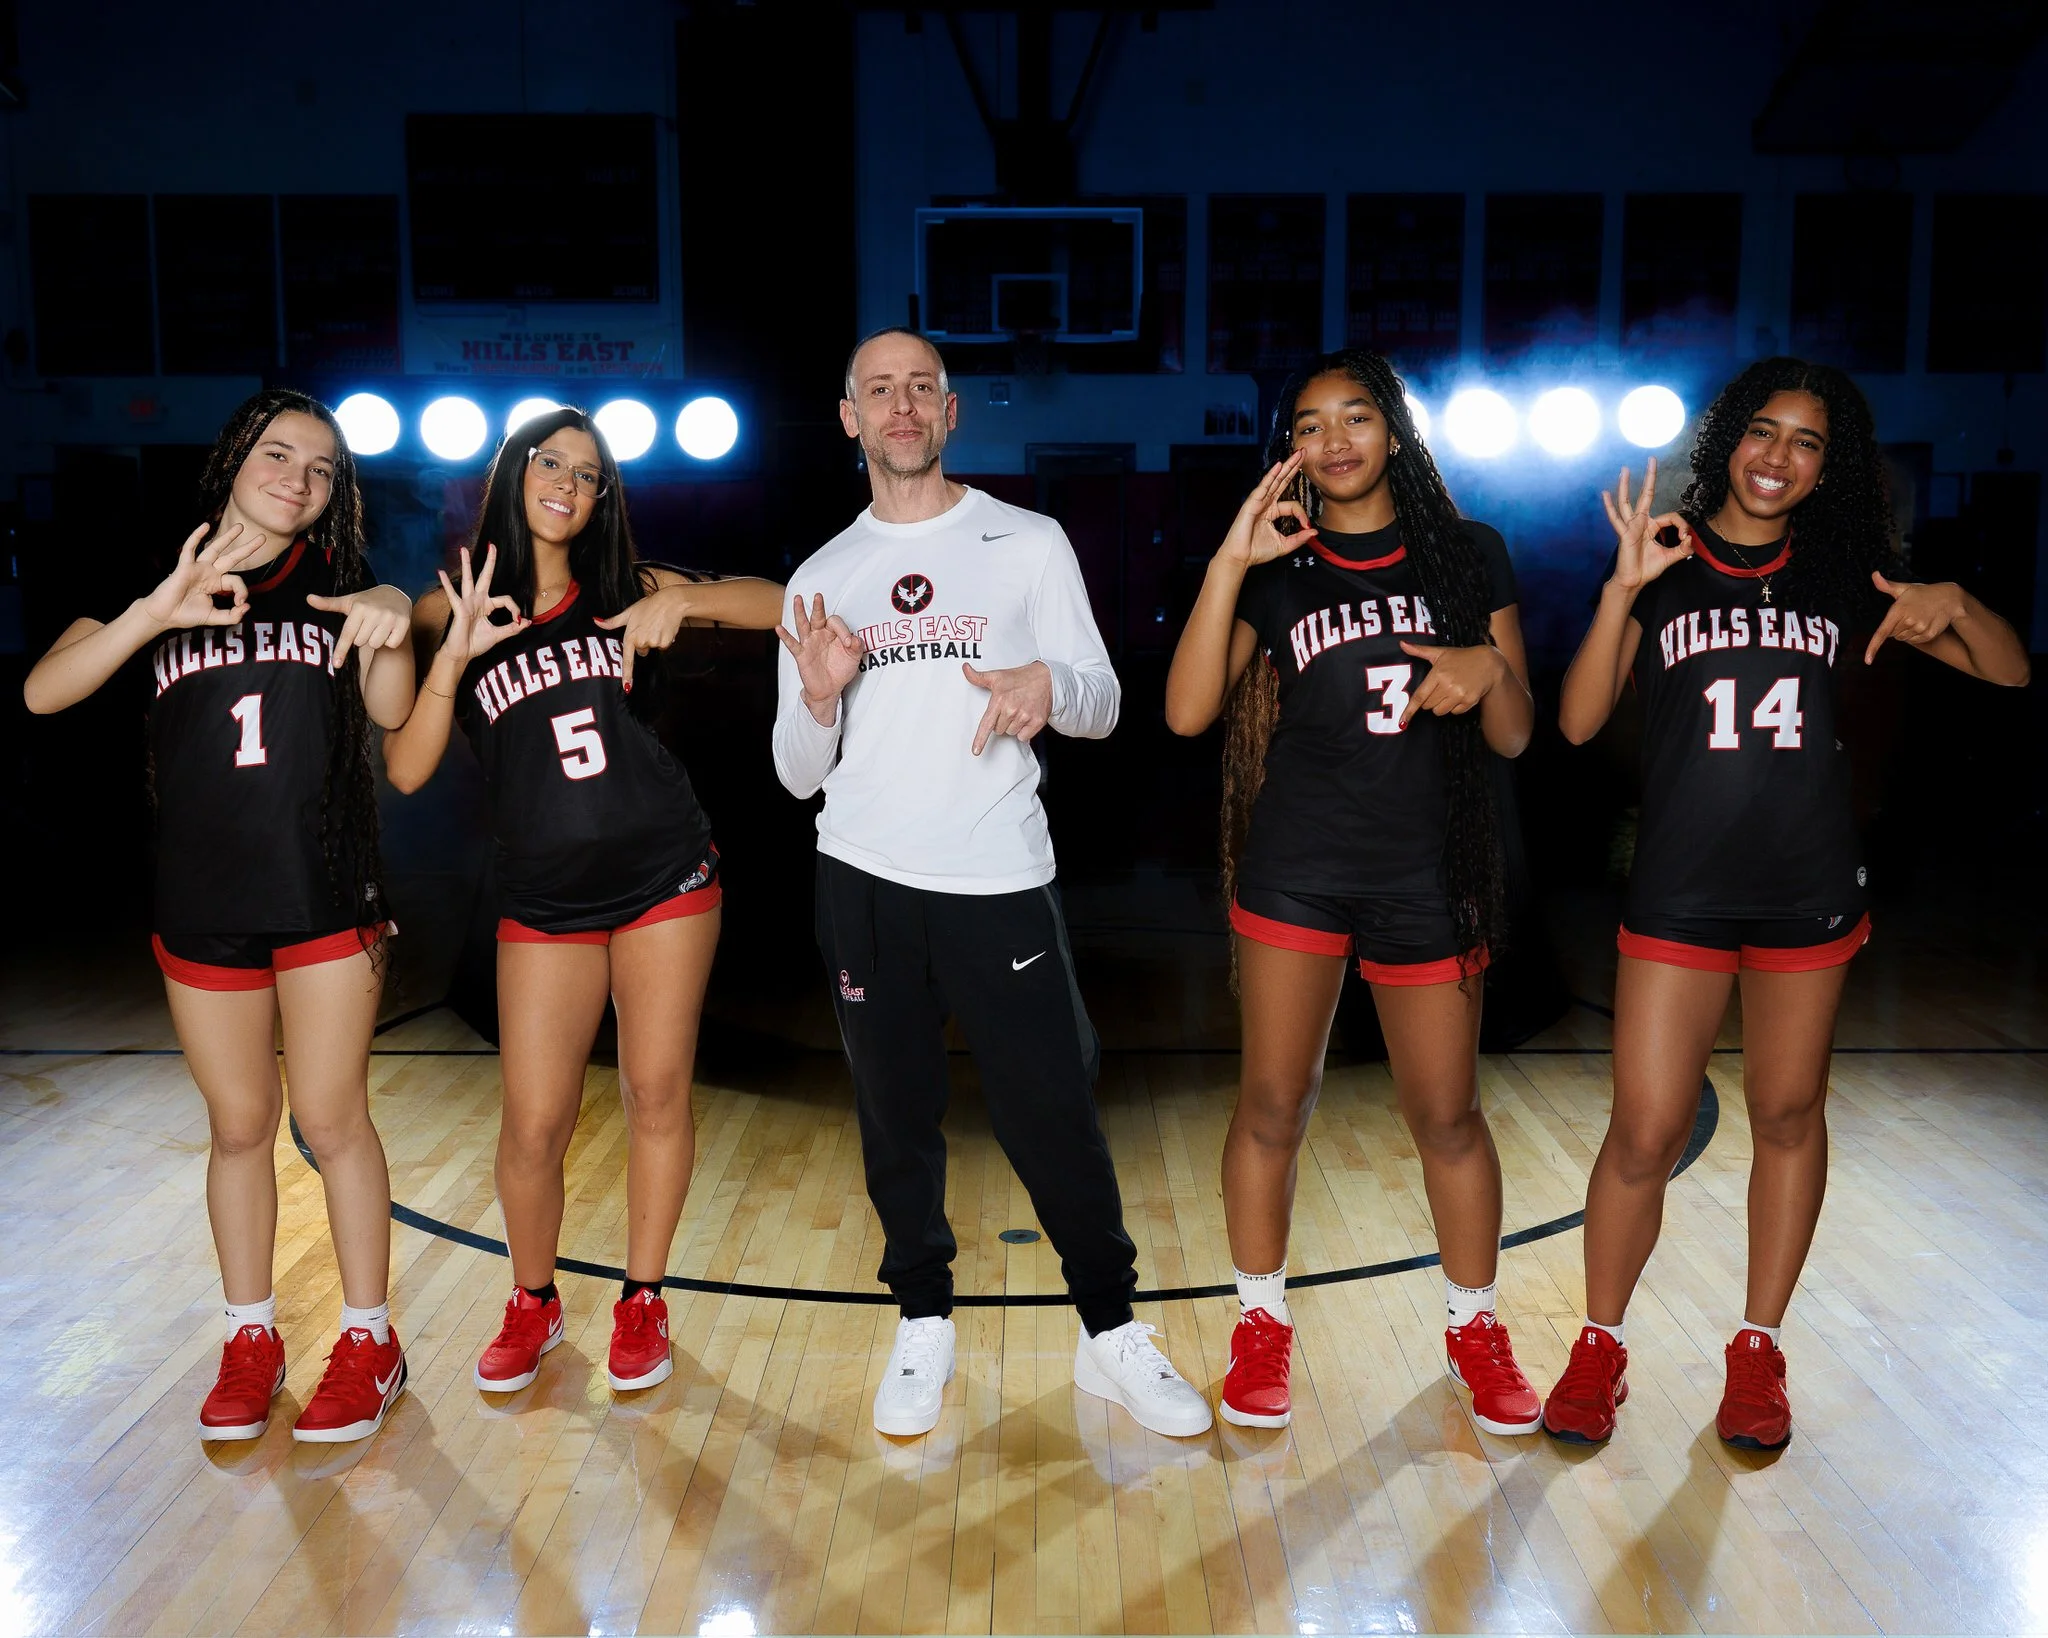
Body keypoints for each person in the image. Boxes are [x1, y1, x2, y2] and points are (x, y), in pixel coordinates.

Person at [1547, 358, 2031, 1449]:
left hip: (1804, 889)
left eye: (1806, 443)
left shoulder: (1844, 577)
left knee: (1785, 1114)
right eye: (1762, 432)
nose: (1777, 457)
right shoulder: (1659, 562)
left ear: (1829, 469)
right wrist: (1618, 587)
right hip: (1679, 888)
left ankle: (1756, 1352)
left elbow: (2004, 673)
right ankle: (1598, 1347)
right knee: (1643, 1129)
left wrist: (1953, 603)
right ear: (1727, 442)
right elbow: (1576, 723)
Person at [773, 326, 1210, 1441]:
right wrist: (818, 697)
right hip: (859, 879)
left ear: (951, 410)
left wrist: (1045, 684)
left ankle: (1109, 1333)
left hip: (996, 877)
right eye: (879, 389)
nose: (902, 406)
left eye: (921, 387)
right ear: (850, 417)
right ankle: (922, 1319)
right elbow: (793, 773)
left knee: (1051, 1107)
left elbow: (1102, 702)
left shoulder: (1026, 542)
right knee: (895, 1114)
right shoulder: (822, 578)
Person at [24, 389, 418, 1443]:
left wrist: (386, 617)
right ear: (231, 459)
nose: (297, 476)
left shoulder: (342, 584)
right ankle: (251, 1335)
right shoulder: (157, 573)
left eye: (322, 467)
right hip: (202, 905)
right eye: (276, 452)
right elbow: (45, 693)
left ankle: (370, 1338)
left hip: (327, 897)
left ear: (337, 495)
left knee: (332, 1122)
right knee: (238, 1128)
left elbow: (389, 713)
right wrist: (160, 608)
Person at [1165, 348, 1541, 1435]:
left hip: (1429, 873)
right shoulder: (1278, 571)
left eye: (1356, 417)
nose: (1332, 440)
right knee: (1273, 1106)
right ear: (1289, 447)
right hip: (1298, 868)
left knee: (1447, 1116)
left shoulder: (1470, 554)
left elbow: (1513, 733)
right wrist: (1228, 564)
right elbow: (1188, 713)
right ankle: (1258, 1323)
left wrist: (1484, 670)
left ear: (1395, 434)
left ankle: (1472, 1326)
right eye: (1308, 423)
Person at [383, 407, 782, 1397]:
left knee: (655, 1089)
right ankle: (534, 1299)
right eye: (550, 463)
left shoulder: (624, 587)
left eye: (589, 474)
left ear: (603, 499)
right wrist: (449, 647)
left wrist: (681, 605)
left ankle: (642, 1299)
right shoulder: (448, 609)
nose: (568, 482)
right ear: (511, 474)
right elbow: (406, 767)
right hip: (544, 899)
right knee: (533, 1121)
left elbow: (779, 602)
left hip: (665, 877)